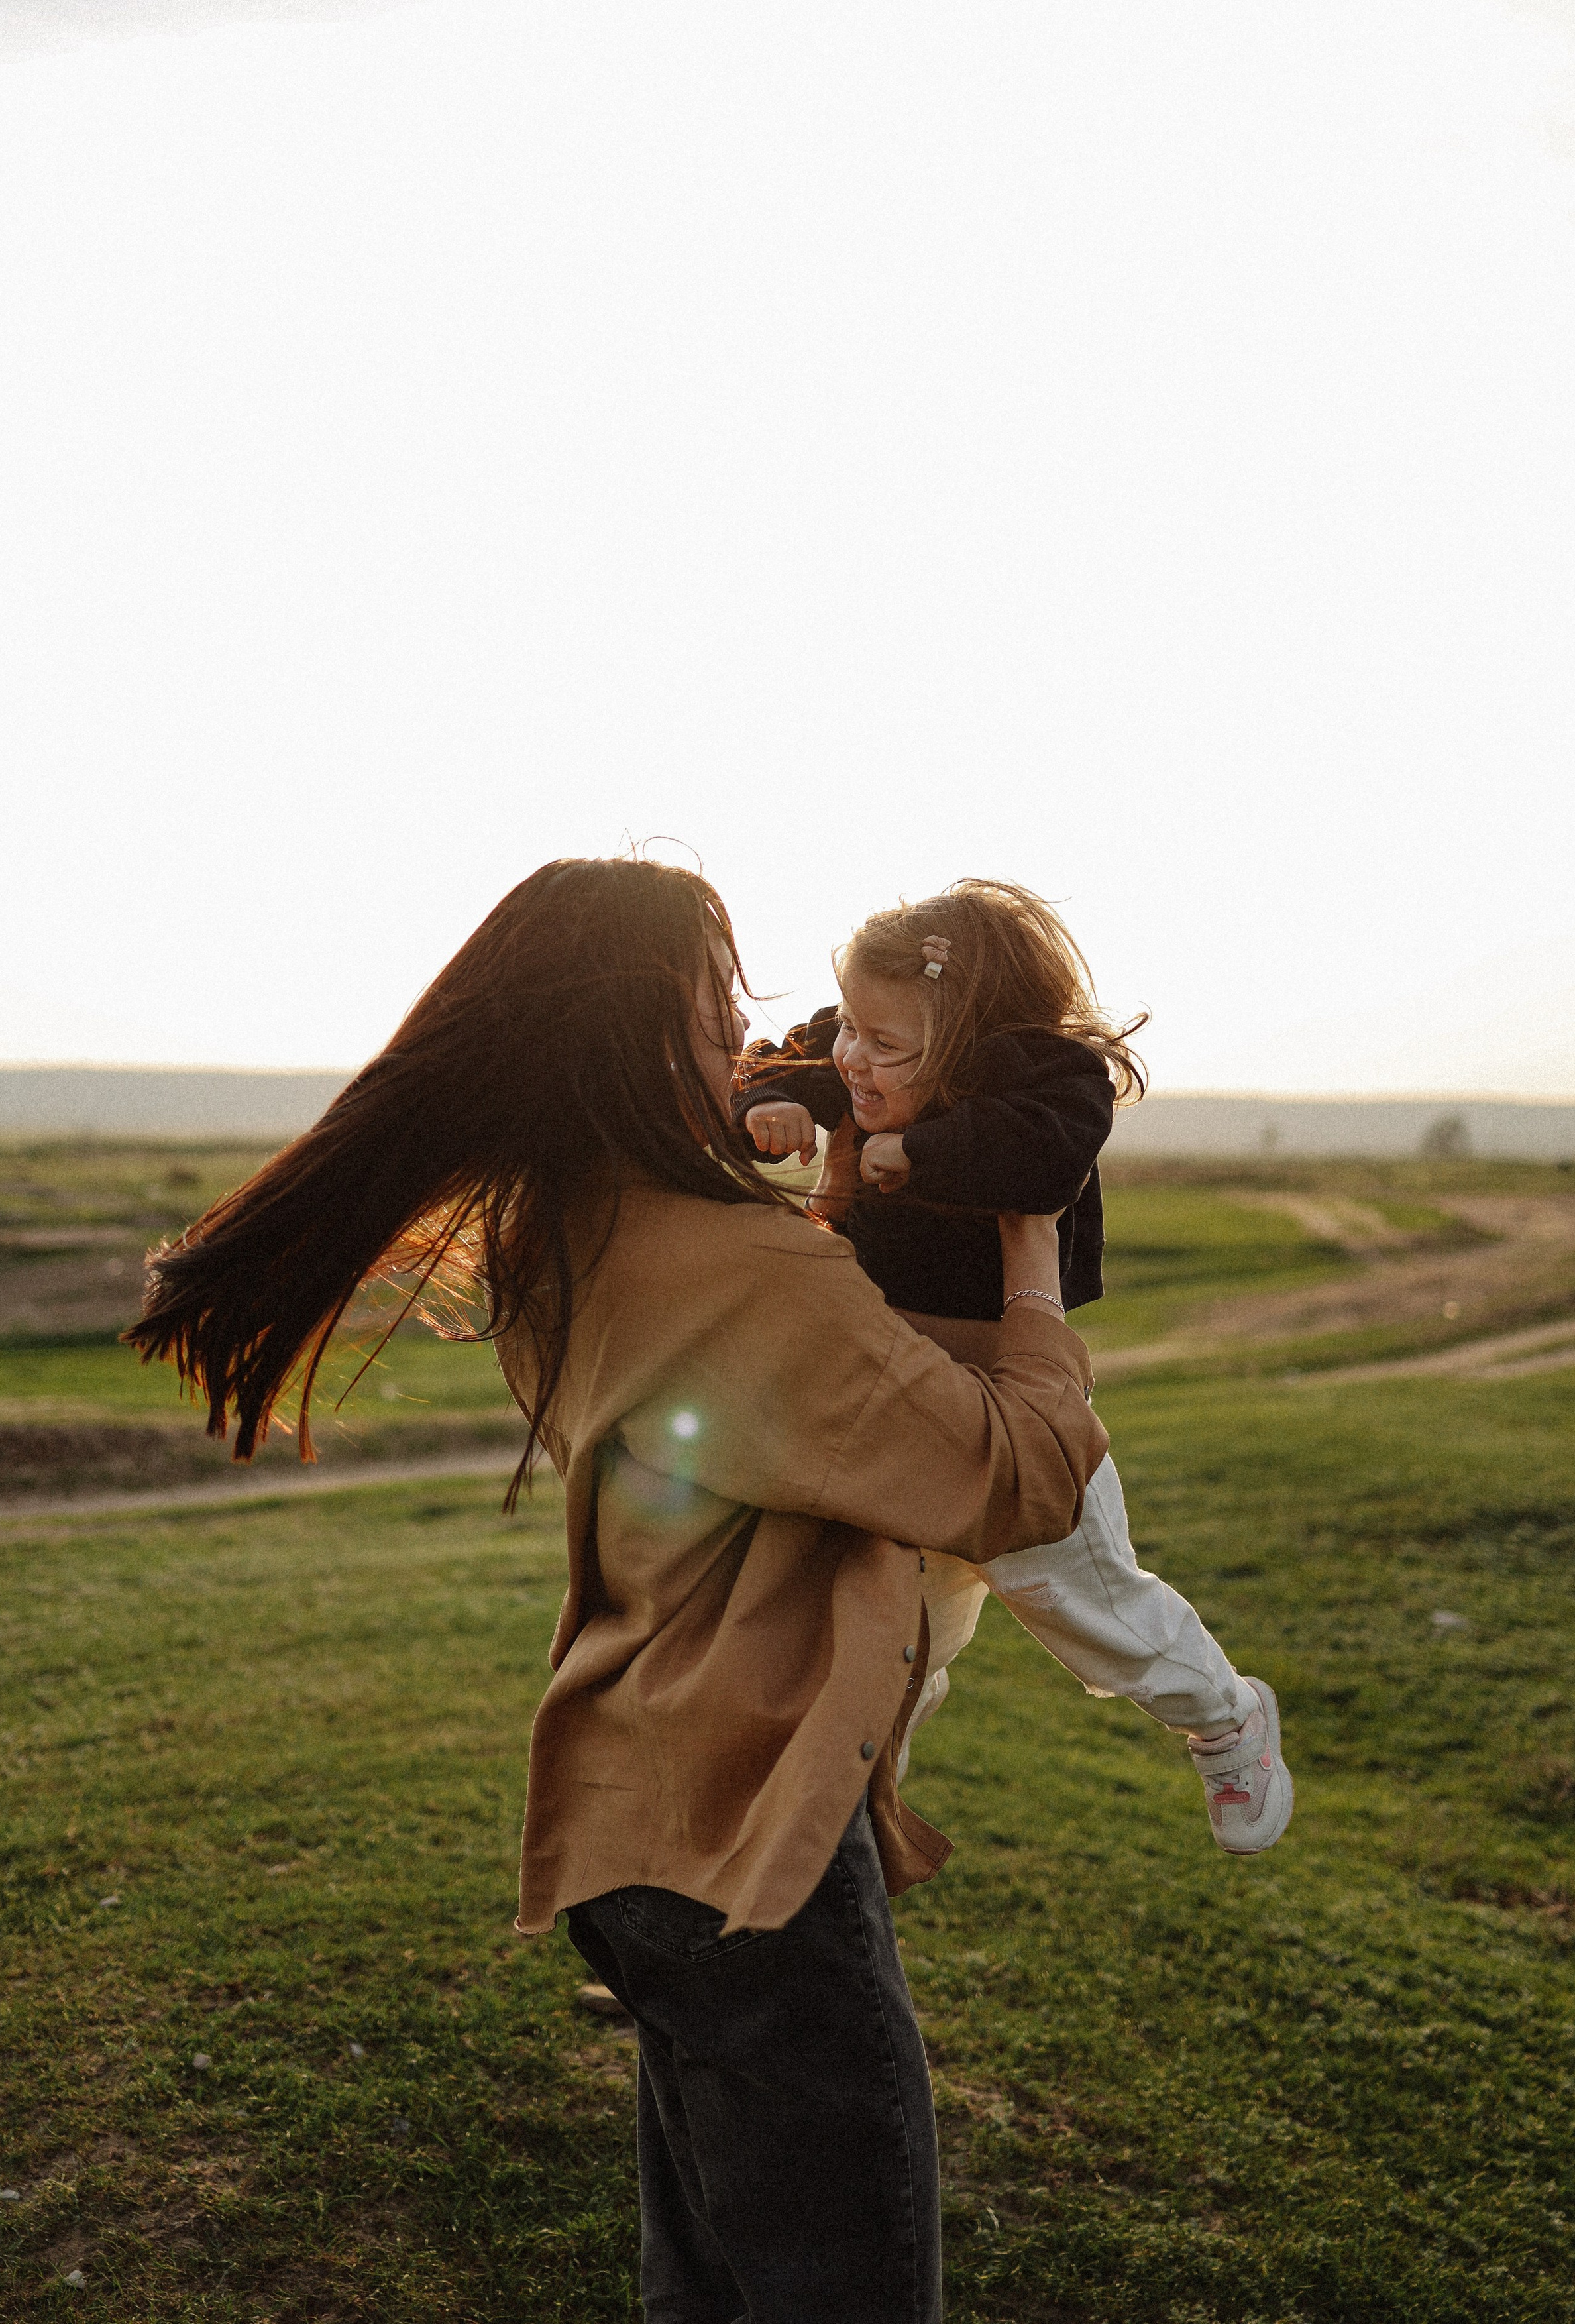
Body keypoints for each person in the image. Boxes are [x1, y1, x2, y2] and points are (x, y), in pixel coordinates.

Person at [125, 855, 1109, 2324]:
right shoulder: (743, 1272)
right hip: (743, 1824)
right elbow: (1019, 1473)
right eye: (721, 1010)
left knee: (711, 2279)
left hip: (642, 1801)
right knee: (840, 2281)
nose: (757, 1039)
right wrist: (1029, 1263)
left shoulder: (567, 1221)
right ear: (636, 1040)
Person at [733, 879, 1293, 1857]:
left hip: (1016, 1406)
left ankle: (1225, 1714)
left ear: (969, 1042)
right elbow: (767, 1069)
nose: (854, 1059)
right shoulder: (858, 1045)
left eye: (887, 1046)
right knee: (896, 1627)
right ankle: (854, 1802)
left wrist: (917, 1150)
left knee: (1080, 1599)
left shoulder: (1041, 1076)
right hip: (900, 1403)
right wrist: (773, 1104)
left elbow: (1044, 1162)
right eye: (851, 1030)